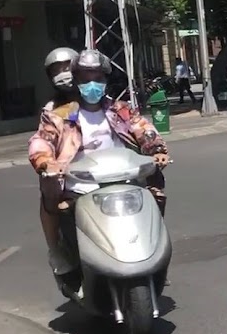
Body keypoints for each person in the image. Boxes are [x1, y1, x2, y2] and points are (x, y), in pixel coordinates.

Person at [28, 49, 170, 290]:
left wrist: (156, 148)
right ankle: (61, 255)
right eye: (85, 78)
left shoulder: (119, 110)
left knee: (155, 195)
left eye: (97, 78)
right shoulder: (59, 115)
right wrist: (45, 161)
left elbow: (143, 128)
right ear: (76, 79)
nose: (91, 84)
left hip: (123, 180)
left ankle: (150, 250)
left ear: (105, 80)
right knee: (54, 203)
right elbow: (41, 140)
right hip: (79, 185)